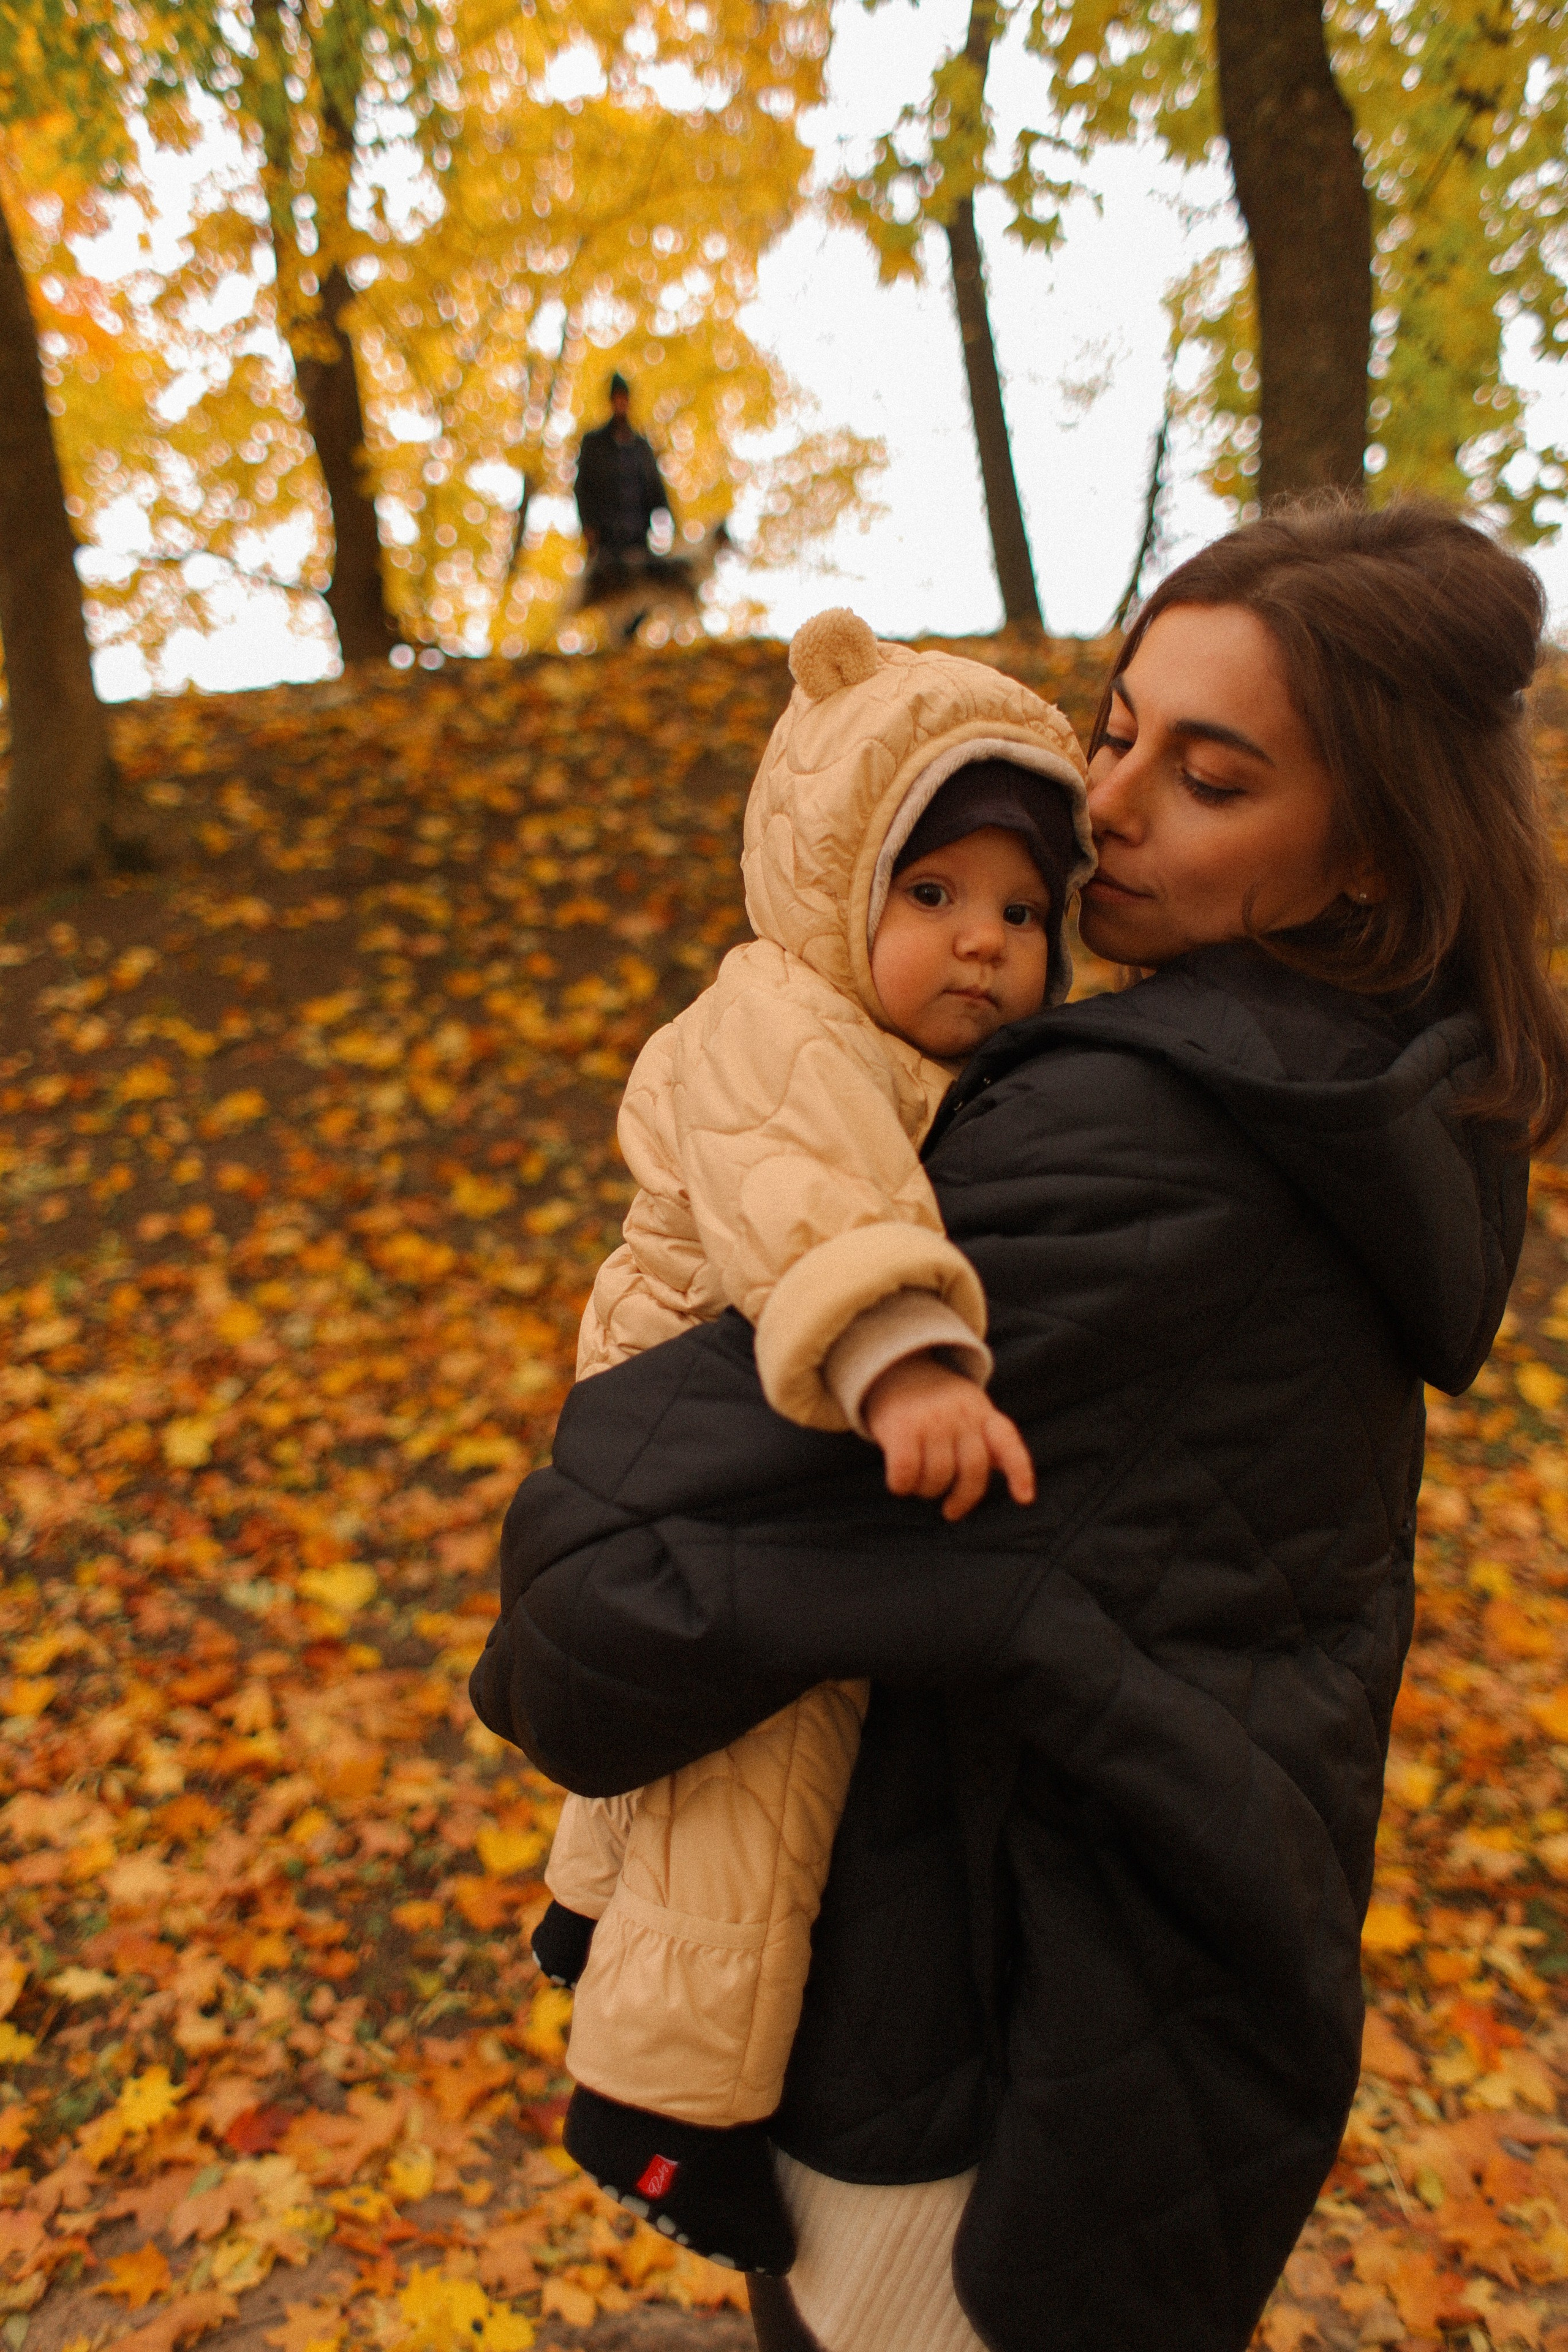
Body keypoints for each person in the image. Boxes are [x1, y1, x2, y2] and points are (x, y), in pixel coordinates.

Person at [473, 495, 1568, 2352]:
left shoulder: (1149, 1148)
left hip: (978, 2080)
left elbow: (600, 1605)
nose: (1104, 808)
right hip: (1145, 2020)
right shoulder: (1367, 1111)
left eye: (1206, 778)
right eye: (1114, 731)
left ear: (1367, 853)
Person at [529, 606, 1094, 2274]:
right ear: (834, 879)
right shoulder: (780, 1018)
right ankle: (656, 2111)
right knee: (762, 1751)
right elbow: (809, 1193)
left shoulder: (899, 1038)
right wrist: (903, 1359)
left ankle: (585, 1914)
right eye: (931, 895)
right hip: (735, 1392)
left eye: (1021, 912)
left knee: (692, 1735)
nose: (980, 943)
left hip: (744, 1398)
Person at [574, 373, 673, 567]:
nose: (621, 403)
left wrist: (669, 526)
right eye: (617, 398)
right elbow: (583, 488)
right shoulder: (594, 445)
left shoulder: (642, 448)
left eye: (624, 398)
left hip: (639, 540)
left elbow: (656, 489)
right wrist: (588, 526)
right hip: (605, 542)